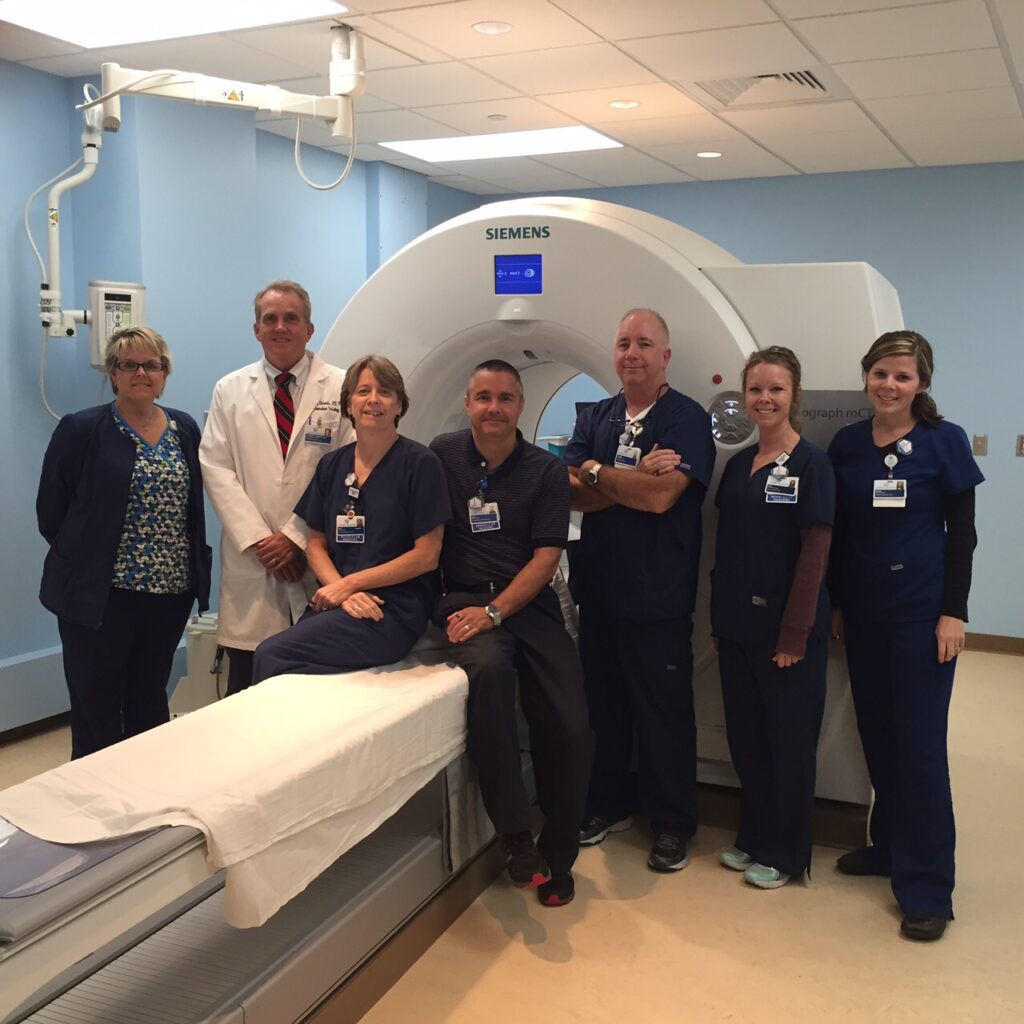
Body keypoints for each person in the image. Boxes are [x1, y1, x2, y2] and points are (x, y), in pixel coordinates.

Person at [828, 330, 983, 942]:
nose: (889, 385)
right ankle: (888, 847)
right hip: (864, 613)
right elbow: (837, 535)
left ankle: (927, 889)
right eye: (880, 374)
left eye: (903, 376)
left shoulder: (945, 442)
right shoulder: (846, 444)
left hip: (922, 615)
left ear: (921, 384)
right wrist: (838, 603)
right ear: (866, 377)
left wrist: (954, 612)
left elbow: (963, 534)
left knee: (919, 748)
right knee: (879, 735)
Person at [430, 360, 592, 908]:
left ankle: (560, 856)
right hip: (462, 598)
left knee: (570, 723)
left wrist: (495, 612)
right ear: (468, 403)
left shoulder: (545, 471)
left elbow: (547, 558)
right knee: (492, 677)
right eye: (482, 397)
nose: (493, 408)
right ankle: (515, 835)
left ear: (521, 405)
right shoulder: (442, 454)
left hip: (526, 603)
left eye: (504, 398)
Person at [566, 308, 716, 872]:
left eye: (645, 344)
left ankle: (673, 823)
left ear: (665, 357)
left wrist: (598, 472)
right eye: (624, 342)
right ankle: (608, 805)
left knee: (664, 714)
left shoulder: (685, 420)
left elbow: (662, 498)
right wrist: (622, 477)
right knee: (602, 708)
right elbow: (570, 492)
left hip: (658, 596)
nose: (632, 353)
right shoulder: (598, 415)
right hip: (599, 591)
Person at [37, 327, 211, 758]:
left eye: (151, 364)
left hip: (168, 594)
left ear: (165, 373)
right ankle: (95, 805)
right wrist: (85, 557)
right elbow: (51, 511)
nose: (141, 372)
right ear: (113, 373)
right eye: (129, 364)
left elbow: (191, 507)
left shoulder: (184, 428)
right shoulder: (82, 429)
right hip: (100, 597)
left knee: (149, 699)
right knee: (96, 703)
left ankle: (145, 797)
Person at [710, 347, 834, 889]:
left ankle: (788, 854)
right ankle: (754, 836)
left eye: (776, 389)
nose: (764, 399)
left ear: (795, 396)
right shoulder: (738, 466)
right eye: (755, 389)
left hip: (787, 632)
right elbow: (731, 546)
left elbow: (815, 556)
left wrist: (794, 633)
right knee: (746, 738)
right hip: (735, 626)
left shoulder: (812, 464)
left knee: (787, 741)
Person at [252, 356, 450, 680]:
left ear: (399, 405)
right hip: (340, 602)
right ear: (348, 404)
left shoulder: (421, 464)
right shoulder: (332, 466)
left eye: (385, 392)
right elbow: (315, 544)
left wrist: (351, 585)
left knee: (271, 655)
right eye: (363, 391)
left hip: (391, 609)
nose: (373, 400)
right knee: (282, 667)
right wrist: (342, 591)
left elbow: (426, 556)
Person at [200, 280, 352, 694]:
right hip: (254, 559)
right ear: (256, 330)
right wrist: (262, 541)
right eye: (270, 319)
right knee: (247, 687)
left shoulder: (342, 388)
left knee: (315, 691)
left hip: (316, 557)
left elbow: (348, 470)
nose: (280, 327)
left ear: (309, 329)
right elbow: (216, 467)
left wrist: (295, 537)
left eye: (291, 318)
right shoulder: (229, 390)